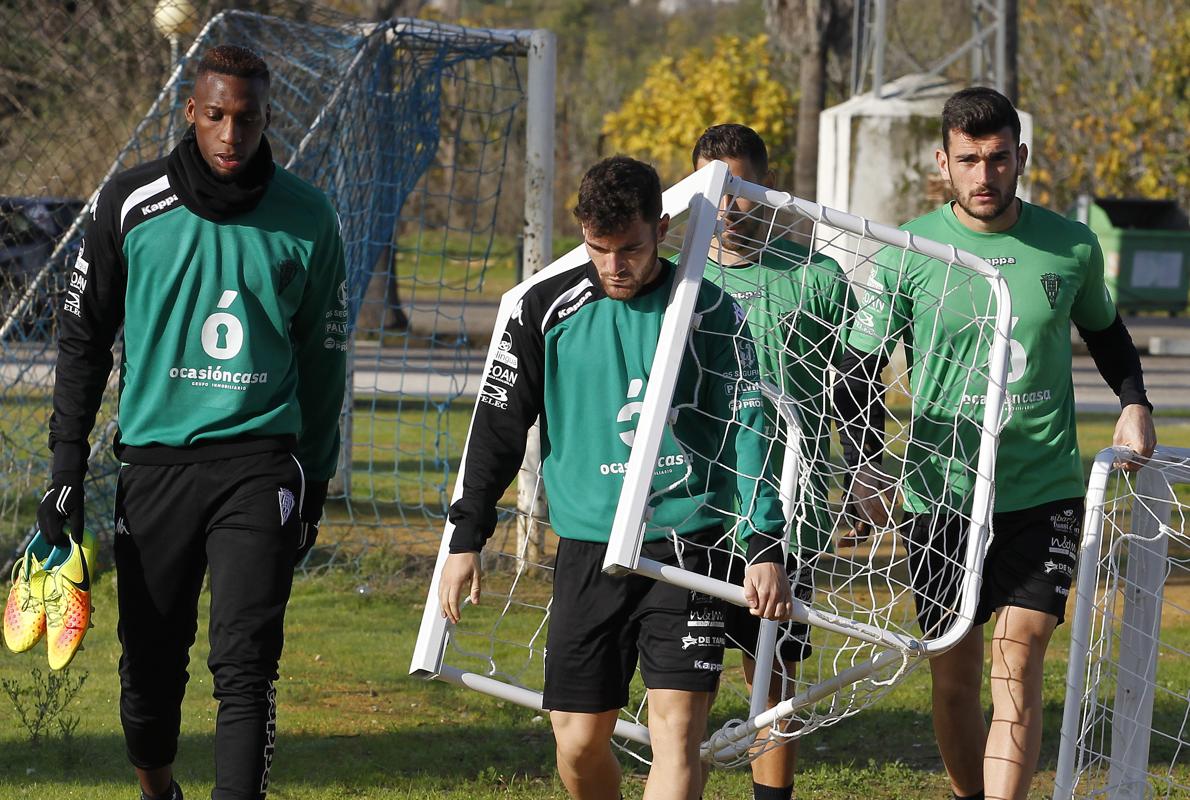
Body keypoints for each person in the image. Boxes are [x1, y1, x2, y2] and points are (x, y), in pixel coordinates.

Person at [38, 45, 348, 800]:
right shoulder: (128, 204)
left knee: (245, 666)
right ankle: (158, 789)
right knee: (149, 670)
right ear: (189, 111)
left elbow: (322, 362)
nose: (231, 134)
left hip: (260, 466)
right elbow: (83, 344)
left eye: (247, 118)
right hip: (154, 468)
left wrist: (312, 479)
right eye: (215, 115)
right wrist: (65, 472)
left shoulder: (309, 217)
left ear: (268, 117)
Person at [439, 155, 792, 800]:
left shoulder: (710, 309)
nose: (613, 266)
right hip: (588, 549)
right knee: (576, 742)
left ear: (661, 228)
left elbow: (751, 425)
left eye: (628, 249)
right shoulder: (542, 310)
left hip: (689, 543)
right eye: (598, 249)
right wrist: (468, 537)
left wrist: (765, 546)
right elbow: (497, 427)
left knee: (677, 734)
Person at [838, 86, 1156, 800]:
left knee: (1020, 658)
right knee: (953, 682)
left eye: (999, 159)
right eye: (969, 160)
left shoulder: (1069, 246)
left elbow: (1106, 332)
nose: (985, 176)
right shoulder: (907, 253)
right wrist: (864, 467)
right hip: (941, 494)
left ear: (1022, 158)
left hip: (1043, 489)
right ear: (943, 162)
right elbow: (857, 372)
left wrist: (1133, 402)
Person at [692, 123, 852, 800]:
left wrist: (864, 465)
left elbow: (854, 383)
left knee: (774, 666)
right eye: (714, 191)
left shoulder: (816, 275)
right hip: (698, 502)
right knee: (687, 672)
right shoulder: (676, 278)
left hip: (792, 508)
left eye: (741, 190)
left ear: (766, 187)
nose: (728, 208)